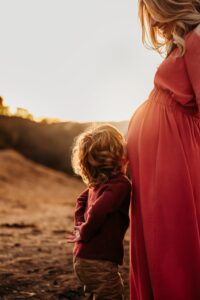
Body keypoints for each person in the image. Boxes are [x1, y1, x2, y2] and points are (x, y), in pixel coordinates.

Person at [126, 0, 200, 299]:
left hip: (174, 153)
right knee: (157, 237)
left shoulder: (197, 38)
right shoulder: (185, 40)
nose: (154, 25)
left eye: (154, 15)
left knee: (171, 237)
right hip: (160, 152)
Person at [67, 124, 132, 300]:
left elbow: (81, 201)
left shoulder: (98, 184)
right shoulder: (121, 184)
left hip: (82, 258)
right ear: (118, 155)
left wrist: (80, 225)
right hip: (99, 260)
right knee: (112, 294)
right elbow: (98, 211)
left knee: (95, 293)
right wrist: (85, 231)